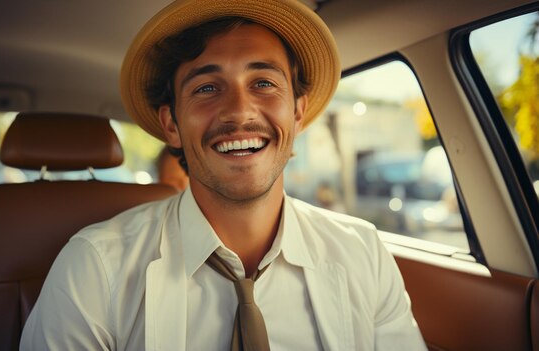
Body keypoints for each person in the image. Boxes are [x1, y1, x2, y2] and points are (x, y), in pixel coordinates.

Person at [21, 0, 427, 349]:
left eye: (264, 82)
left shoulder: (363, 254)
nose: (239, 111)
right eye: (207, 89)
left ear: (298, 113)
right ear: (172, 125)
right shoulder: (95, 267)